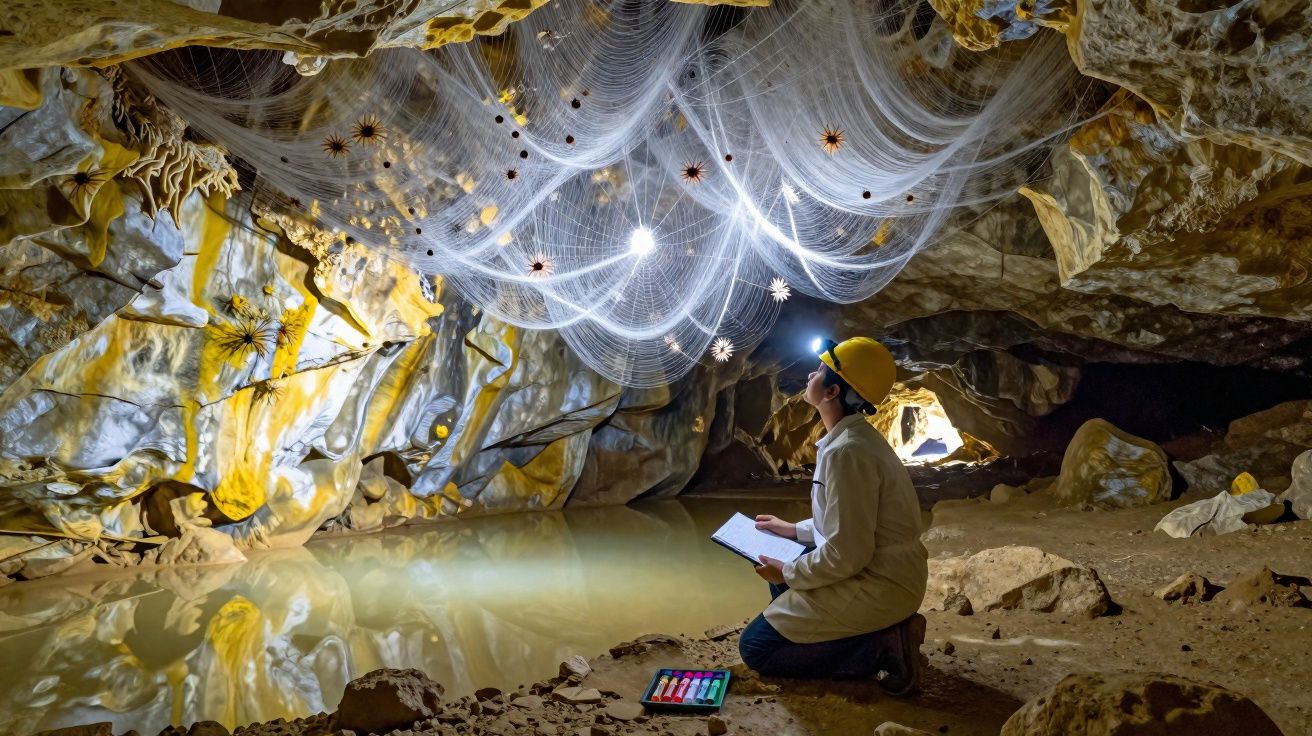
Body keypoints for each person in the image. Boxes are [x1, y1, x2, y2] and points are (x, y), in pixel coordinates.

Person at [738, 336, 929, 694]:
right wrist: (793, 530)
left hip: (880, 583)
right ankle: (822, 631)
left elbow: (848, 553)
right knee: (784, 562)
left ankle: (883, 647)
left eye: (820, 370)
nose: (811, 374)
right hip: (883, 569)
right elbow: (847, 521)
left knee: (756, 648)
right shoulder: (849, 441)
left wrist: (789, 572)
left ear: (831, 392)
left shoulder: (848, 453)